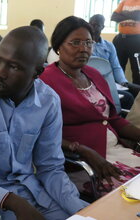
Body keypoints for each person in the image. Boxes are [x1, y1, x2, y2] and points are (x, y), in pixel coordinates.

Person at [0, 26, 88, 220]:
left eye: (13, 67)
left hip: (34, 193)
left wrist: (80, 210)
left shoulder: (48, 101)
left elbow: (50, 167)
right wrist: (11, 201)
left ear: (37, 73)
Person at [40, 16, 140, 196]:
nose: (83, 49)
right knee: (130, 197)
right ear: (58, 46)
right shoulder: (46, 81)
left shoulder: (94, 74)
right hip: (82, 162)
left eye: (88, 42)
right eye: (75, 43)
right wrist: (82, 150)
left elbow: (113, 119)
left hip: (116, 150)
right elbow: (41, 133)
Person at [89, 14, 138, 109]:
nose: (93, 28)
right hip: (94, 83)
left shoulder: (109, 46)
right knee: (128, 97)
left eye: (97, 25)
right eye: (91, 24)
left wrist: (124, 82)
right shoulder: (86, 45)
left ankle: (131, 119)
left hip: (109, 82)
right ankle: (121, 119)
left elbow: (116, 67)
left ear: (102, 27)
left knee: (136, 91)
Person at [111, 0, 140, 85]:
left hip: (136, 40)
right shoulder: (123, 2)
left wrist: (123, 15)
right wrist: (133, 15)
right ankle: (119, 93)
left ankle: (137, 96)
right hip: (121, 39)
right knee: (117, 67)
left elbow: (138, 16)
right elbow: (114, 17)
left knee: (137, 70)